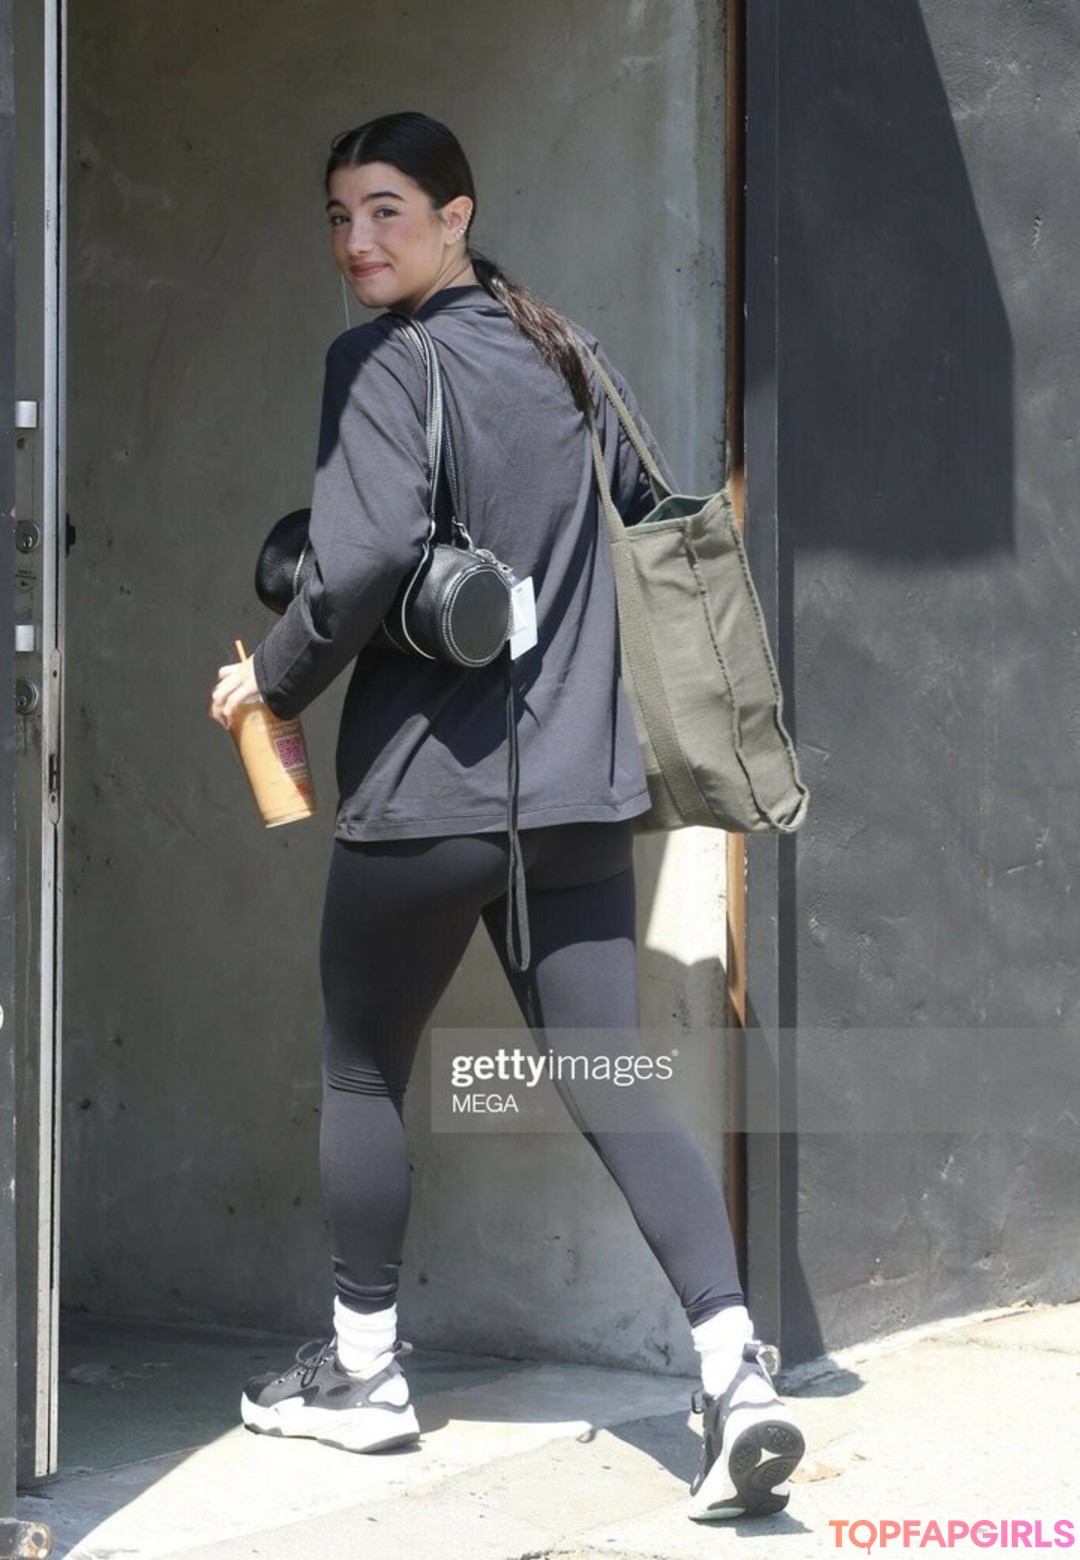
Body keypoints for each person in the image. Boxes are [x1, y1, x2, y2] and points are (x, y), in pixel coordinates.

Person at [208, 110, 804, 1523]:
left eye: (387, 210)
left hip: (429, 795)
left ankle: (365, 1377)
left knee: (363, 1070)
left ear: (456, 215)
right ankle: (736, 1376)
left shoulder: (381, 360)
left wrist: (267, 679)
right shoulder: (563, 349)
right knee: (611, 1075)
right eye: (341, 216)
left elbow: (357, 561)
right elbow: (609, 531)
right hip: (578, 794)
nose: (359, 240)